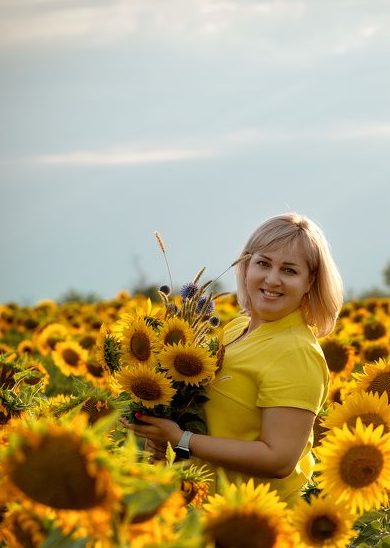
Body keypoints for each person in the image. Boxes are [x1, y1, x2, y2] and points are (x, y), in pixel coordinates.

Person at [122, 212, 344, 504]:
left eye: (289, 270)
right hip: (202, 505)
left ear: (309, 281)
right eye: (263, 263)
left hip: (255, 520)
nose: (272, 279)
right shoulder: (237, 328)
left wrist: (181, 440)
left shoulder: (297, 353)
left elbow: (279, 460)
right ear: (246, 265)